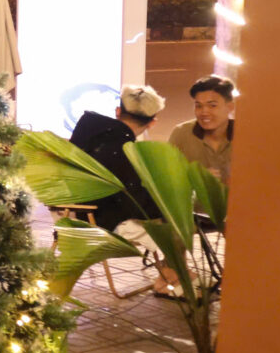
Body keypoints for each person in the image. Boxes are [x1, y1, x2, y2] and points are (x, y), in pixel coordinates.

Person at [69, 85, 182, 296]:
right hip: (102, 222)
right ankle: (173, 277)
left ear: (118, 111)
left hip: (73, 214)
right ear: (152, 122)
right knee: (179, 225)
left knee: (168, 218)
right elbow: (133, 201)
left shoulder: (88, 134)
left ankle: (170, 275)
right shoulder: (125, 149)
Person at [169, 75, 235, 184]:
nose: (204, 112)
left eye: (212, 106)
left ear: (230, 107)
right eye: (198, 106)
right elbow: (167, 175)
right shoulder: (182, 133)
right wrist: (194, 177)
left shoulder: (246, 134)